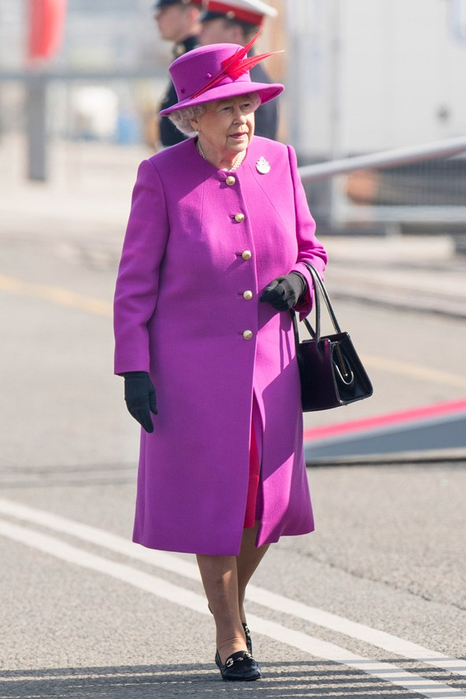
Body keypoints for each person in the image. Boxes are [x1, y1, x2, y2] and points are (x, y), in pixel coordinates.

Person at [113, 38, 327, 682]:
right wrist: (134, 367)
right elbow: (135, 281)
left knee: (266, 506)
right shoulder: (160, 175)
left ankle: (231, 609)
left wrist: (300, 282)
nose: (241, 119)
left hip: (272, 368)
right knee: (215, 503)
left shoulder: (281, 163)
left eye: (249, 106)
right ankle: (229, 631)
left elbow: (312, 253)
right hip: (190, 373)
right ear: (191, 117)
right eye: (226, 107)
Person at [199, 0, 280, 140]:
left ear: (235, 34)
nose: (200, 34)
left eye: (207, 28)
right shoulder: (243, 77)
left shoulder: (248, 85)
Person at [154, 0, 203, 146]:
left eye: (165, 11)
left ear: (191, 14)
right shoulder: (185, 54)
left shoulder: (197, 59)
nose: (156, 18)